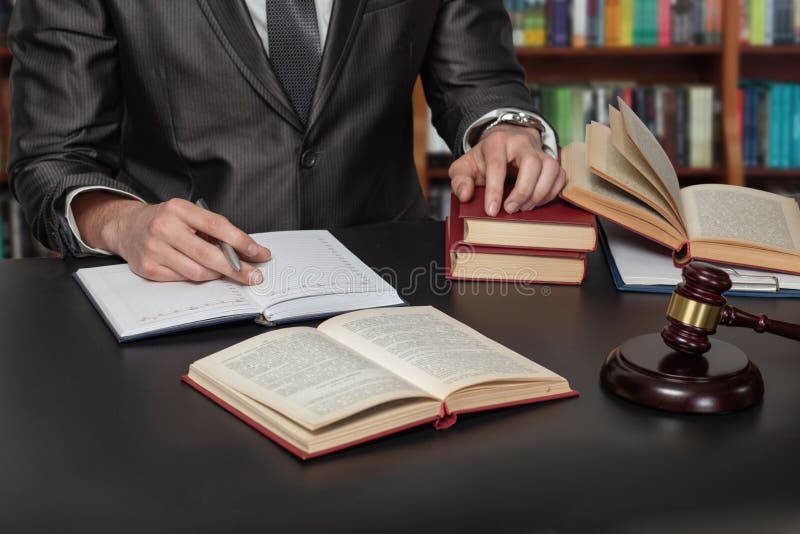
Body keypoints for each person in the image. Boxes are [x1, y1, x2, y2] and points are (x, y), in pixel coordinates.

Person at [8, 1, 564, 286]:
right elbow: (54, 157)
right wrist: (123, 224)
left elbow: (479, 81)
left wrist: (505, 128)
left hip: (393, 280)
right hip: (188, 289)